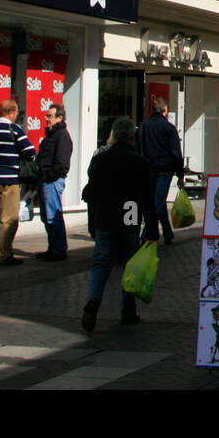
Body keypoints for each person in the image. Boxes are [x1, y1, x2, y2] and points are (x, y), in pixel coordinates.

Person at [81, 116, 159, 331]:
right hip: (129, 217)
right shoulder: (139, 162)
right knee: (129, 265)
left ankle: (94, 297)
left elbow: (91, 193)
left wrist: (93, 223)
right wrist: (152, 225)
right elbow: (145, 197)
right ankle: (128, 311)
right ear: (132, 137)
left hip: (105, 217)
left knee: (101, 264)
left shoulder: (100, 160)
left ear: (114, 134)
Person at [0, 99, 36, 265]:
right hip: (9, 178)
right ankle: (5, 254)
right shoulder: (15, 129)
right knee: (8, 218)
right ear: (11, 112)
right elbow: (30, 151)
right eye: (16, 113)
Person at [140, 95, 183, 244]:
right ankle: (148, 233)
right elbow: (176, 153)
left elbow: (139, 148)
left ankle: (166, 233)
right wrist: (180, 174)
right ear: (165, 110)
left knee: (156, 200)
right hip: (165, 169)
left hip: (148, 168)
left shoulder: (144, 126)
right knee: (158, 201)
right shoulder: (169, 128)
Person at [34, 103, 73, 261]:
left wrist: (49, 175)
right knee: (46, 216)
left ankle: (59, 249)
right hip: (46, 179)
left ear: (59, 118)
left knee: (53, 215)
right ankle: (53, 247)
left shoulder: (62, 136)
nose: (46, 119)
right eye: (46, 116)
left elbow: (61, 163)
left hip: (52, 181)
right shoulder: (51, 135)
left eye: (49, 116)